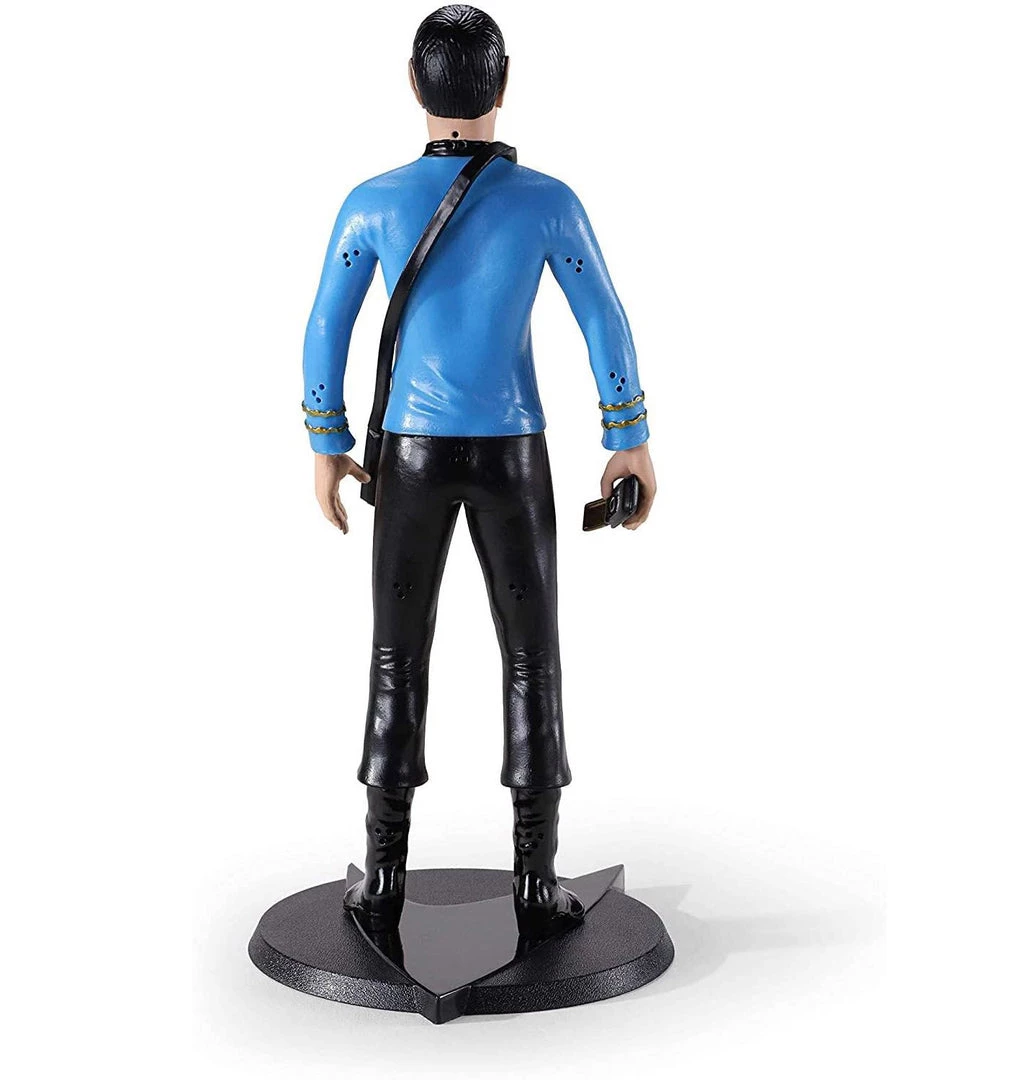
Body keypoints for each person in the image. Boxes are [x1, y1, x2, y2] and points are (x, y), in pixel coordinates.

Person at [301, 4, 656, 940]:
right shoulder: (548, 202)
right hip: (512, 453)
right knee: (533, 656)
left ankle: (383, 875)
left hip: (410, 456)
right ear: (504, 84)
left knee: (395, 656)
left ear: (411, 85)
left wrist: (326, 442)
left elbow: (326, 326)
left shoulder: (371, 202)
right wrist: (628, 435)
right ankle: (536, 880)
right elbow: (603, 317)